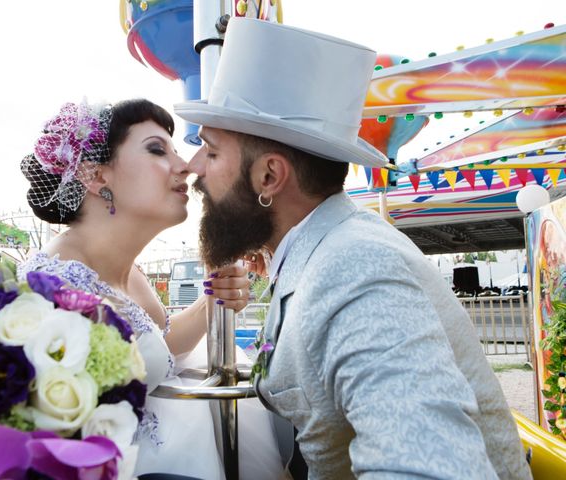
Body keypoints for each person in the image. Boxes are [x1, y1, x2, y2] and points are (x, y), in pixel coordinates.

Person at [175, 18, 532, 479]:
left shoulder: (354, 267)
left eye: (211, 150)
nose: (192, 166)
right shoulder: (322, 249)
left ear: (269, 176)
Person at [18, 99, 286, 479]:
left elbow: (157, 350)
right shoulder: (51, 288)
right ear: (97, 176)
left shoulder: (131, 272)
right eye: (157, 149)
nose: (186, 166)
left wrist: (212, 301)